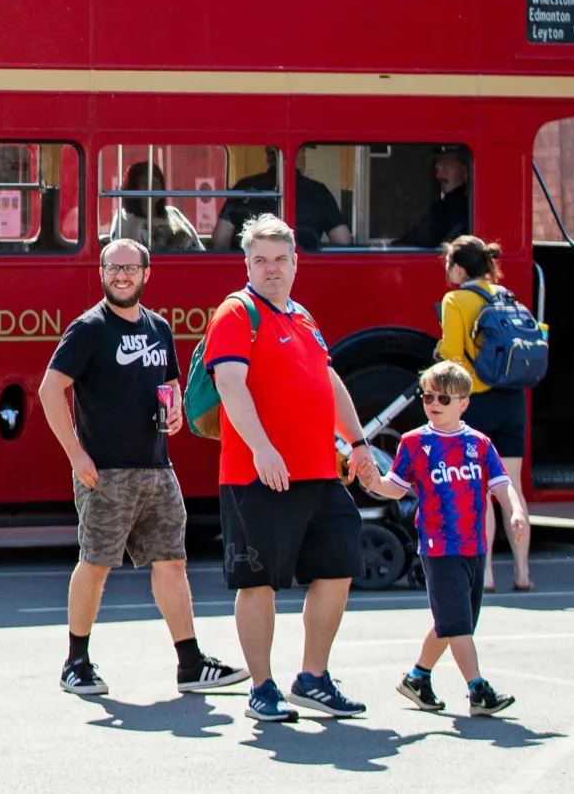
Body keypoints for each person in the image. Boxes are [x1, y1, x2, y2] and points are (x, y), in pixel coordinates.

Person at [38, 237, 245, 698]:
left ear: (147, 274)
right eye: (113, 268)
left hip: (158, 469)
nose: (122, 275)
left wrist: (173, 412)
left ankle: (191, 664)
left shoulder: (158, 327)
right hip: (106, 472)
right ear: (102, 274)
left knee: (172, 563)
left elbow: (168, 382)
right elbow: (51, 391)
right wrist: (77, 455)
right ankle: (76, 663)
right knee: (95, 565)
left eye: (130, 268)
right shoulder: (88, 328)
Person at [202, 213, 379, 723]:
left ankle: (313, 678)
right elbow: (230, 385)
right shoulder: (236, 313)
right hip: (258, 474)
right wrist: (261, 447)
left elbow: (329, 382)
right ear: (247, 264)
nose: (271, 269)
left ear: (296, 263)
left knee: (339, 566)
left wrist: (360, 442)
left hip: (320, 471)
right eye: (260, 260)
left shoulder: (302, 316)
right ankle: (262, 687)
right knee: (257, 582)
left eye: (280, 259)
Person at [358, 361, 527, 715]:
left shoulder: (478, 444)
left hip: (474, 546)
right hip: (439, 547)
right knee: (459, 623)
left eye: (444, 399)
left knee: (453, 622)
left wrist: (515, 510)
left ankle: (418, 677)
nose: (434, 403)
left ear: (463, 403)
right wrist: (373, 482)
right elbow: (395, 487)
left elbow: (501, 485)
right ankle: (478, 691)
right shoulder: (414, 442)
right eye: (428, 396)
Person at [433, 234, 533, 589]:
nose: (446, 271)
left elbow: (454, 358)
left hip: (477, 401)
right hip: (512, 400)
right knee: (511, 487)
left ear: (459, 268)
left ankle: (487, 574)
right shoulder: (506, 296)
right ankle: (522, 573)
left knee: (479, 489)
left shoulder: (455, 299)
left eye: (448, 264)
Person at [213, 167, 348, 250]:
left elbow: (220, 240)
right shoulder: (318, 191)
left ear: (268, 156)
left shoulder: (244, 188)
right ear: (300, 158)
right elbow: (342, 240)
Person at [105, 161, 201, 254]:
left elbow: (198, 247)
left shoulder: (173, 213)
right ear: (133, 188)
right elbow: (122, 255)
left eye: (157, 182)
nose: (153, 187)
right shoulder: (123, 219)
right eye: (146, 183)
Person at [397, 148, 472, 250]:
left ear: (465, 172)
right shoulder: (443, 205)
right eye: (437, 170)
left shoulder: (459, 206)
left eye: (445, 169)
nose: (438, 176)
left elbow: (427, 236)